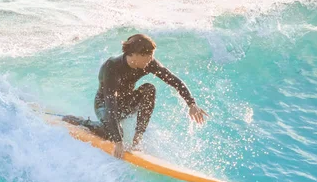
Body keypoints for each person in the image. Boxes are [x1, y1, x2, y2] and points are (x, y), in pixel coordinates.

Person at [63, 33, 208, 158]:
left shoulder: (148, 64)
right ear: (134, 55)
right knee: (110, 134)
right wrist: (118, 141)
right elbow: (111, 104)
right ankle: (82, 122)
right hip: (104, 104)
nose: (151, 60)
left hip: (126, 102)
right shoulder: (112, 67)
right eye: (148, 56)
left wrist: (191, 104)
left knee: (149, 89)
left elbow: (174, 80)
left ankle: (137, 139)